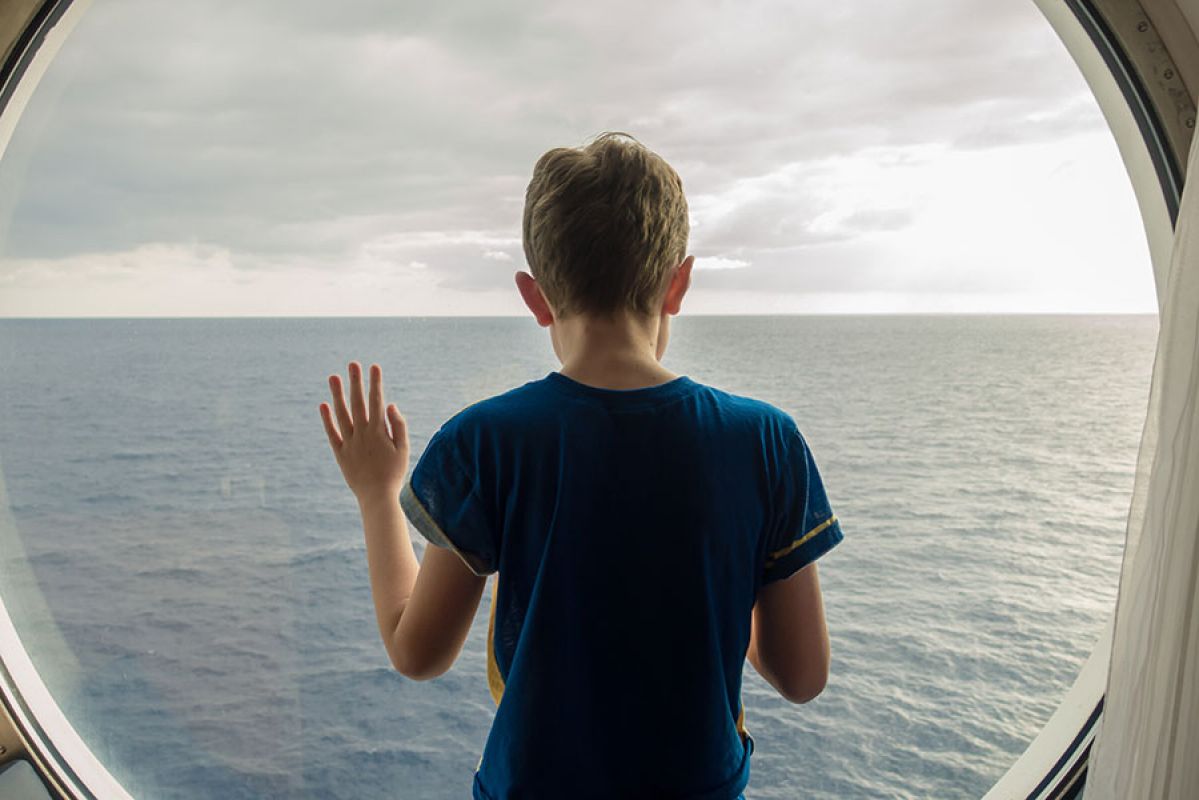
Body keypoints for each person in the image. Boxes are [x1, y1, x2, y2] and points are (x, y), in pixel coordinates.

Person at [318, 131, 843, 800]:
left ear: (534, 297)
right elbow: (802, 676)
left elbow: (416, 652)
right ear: (678, 283)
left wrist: (375, 492)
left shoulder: (485, 441)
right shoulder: (765, 439)